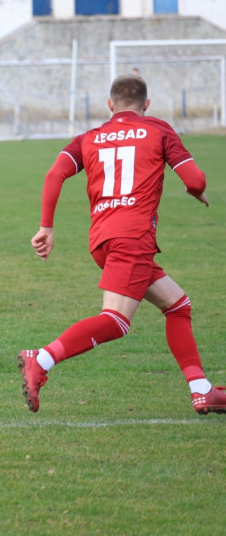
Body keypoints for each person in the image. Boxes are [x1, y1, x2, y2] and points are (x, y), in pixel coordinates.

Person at [19, 72, 226, 415]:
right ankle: (40, 358)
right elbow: (195, 180)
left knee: (178, 306)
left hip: (102, 240)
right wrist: (196, 191)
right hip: (134, 239)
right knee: (116, 320)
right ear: (146, 105)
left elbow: (54, 174)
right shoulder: (157, 129)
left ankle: (201, 389)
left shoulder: (89, 137)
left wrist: (46, 227)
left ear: (109, 105)